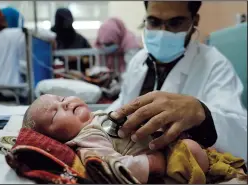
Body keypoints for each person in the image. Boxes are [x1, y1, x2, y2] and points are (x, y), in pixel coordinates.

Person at [106, 1, 247, 162]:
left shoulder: (215, 64)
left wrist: (202, 113)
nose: (162, 32)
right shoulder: (139, 60)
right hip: (128, 156)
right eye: (154, 21)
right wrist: (95, 119)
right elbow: (123, 101)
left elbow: (240, 132)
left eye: (175, 23)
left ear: (195, 21)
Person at [20, 94, 247, 184]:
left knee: (200, 151)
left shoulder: (97, 118)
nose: (65, 103)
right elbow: (112, 167)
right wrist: (153, 163)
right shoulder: (88, 139)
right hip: (164, 160)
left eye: (61, 98)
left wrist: (200, 111)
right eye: (55, 113)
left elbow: (236, 119)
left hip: (198, 136)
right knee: (190, 151)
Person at [51, 8, 92, 73]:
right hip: (55, 78)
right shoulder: (49, 39)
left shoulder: (80, 40)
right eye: (64, 22)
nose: (67, 25)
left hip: (77, 77)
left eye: (69, 21)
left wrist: (79, 58)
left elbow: (90, 58)